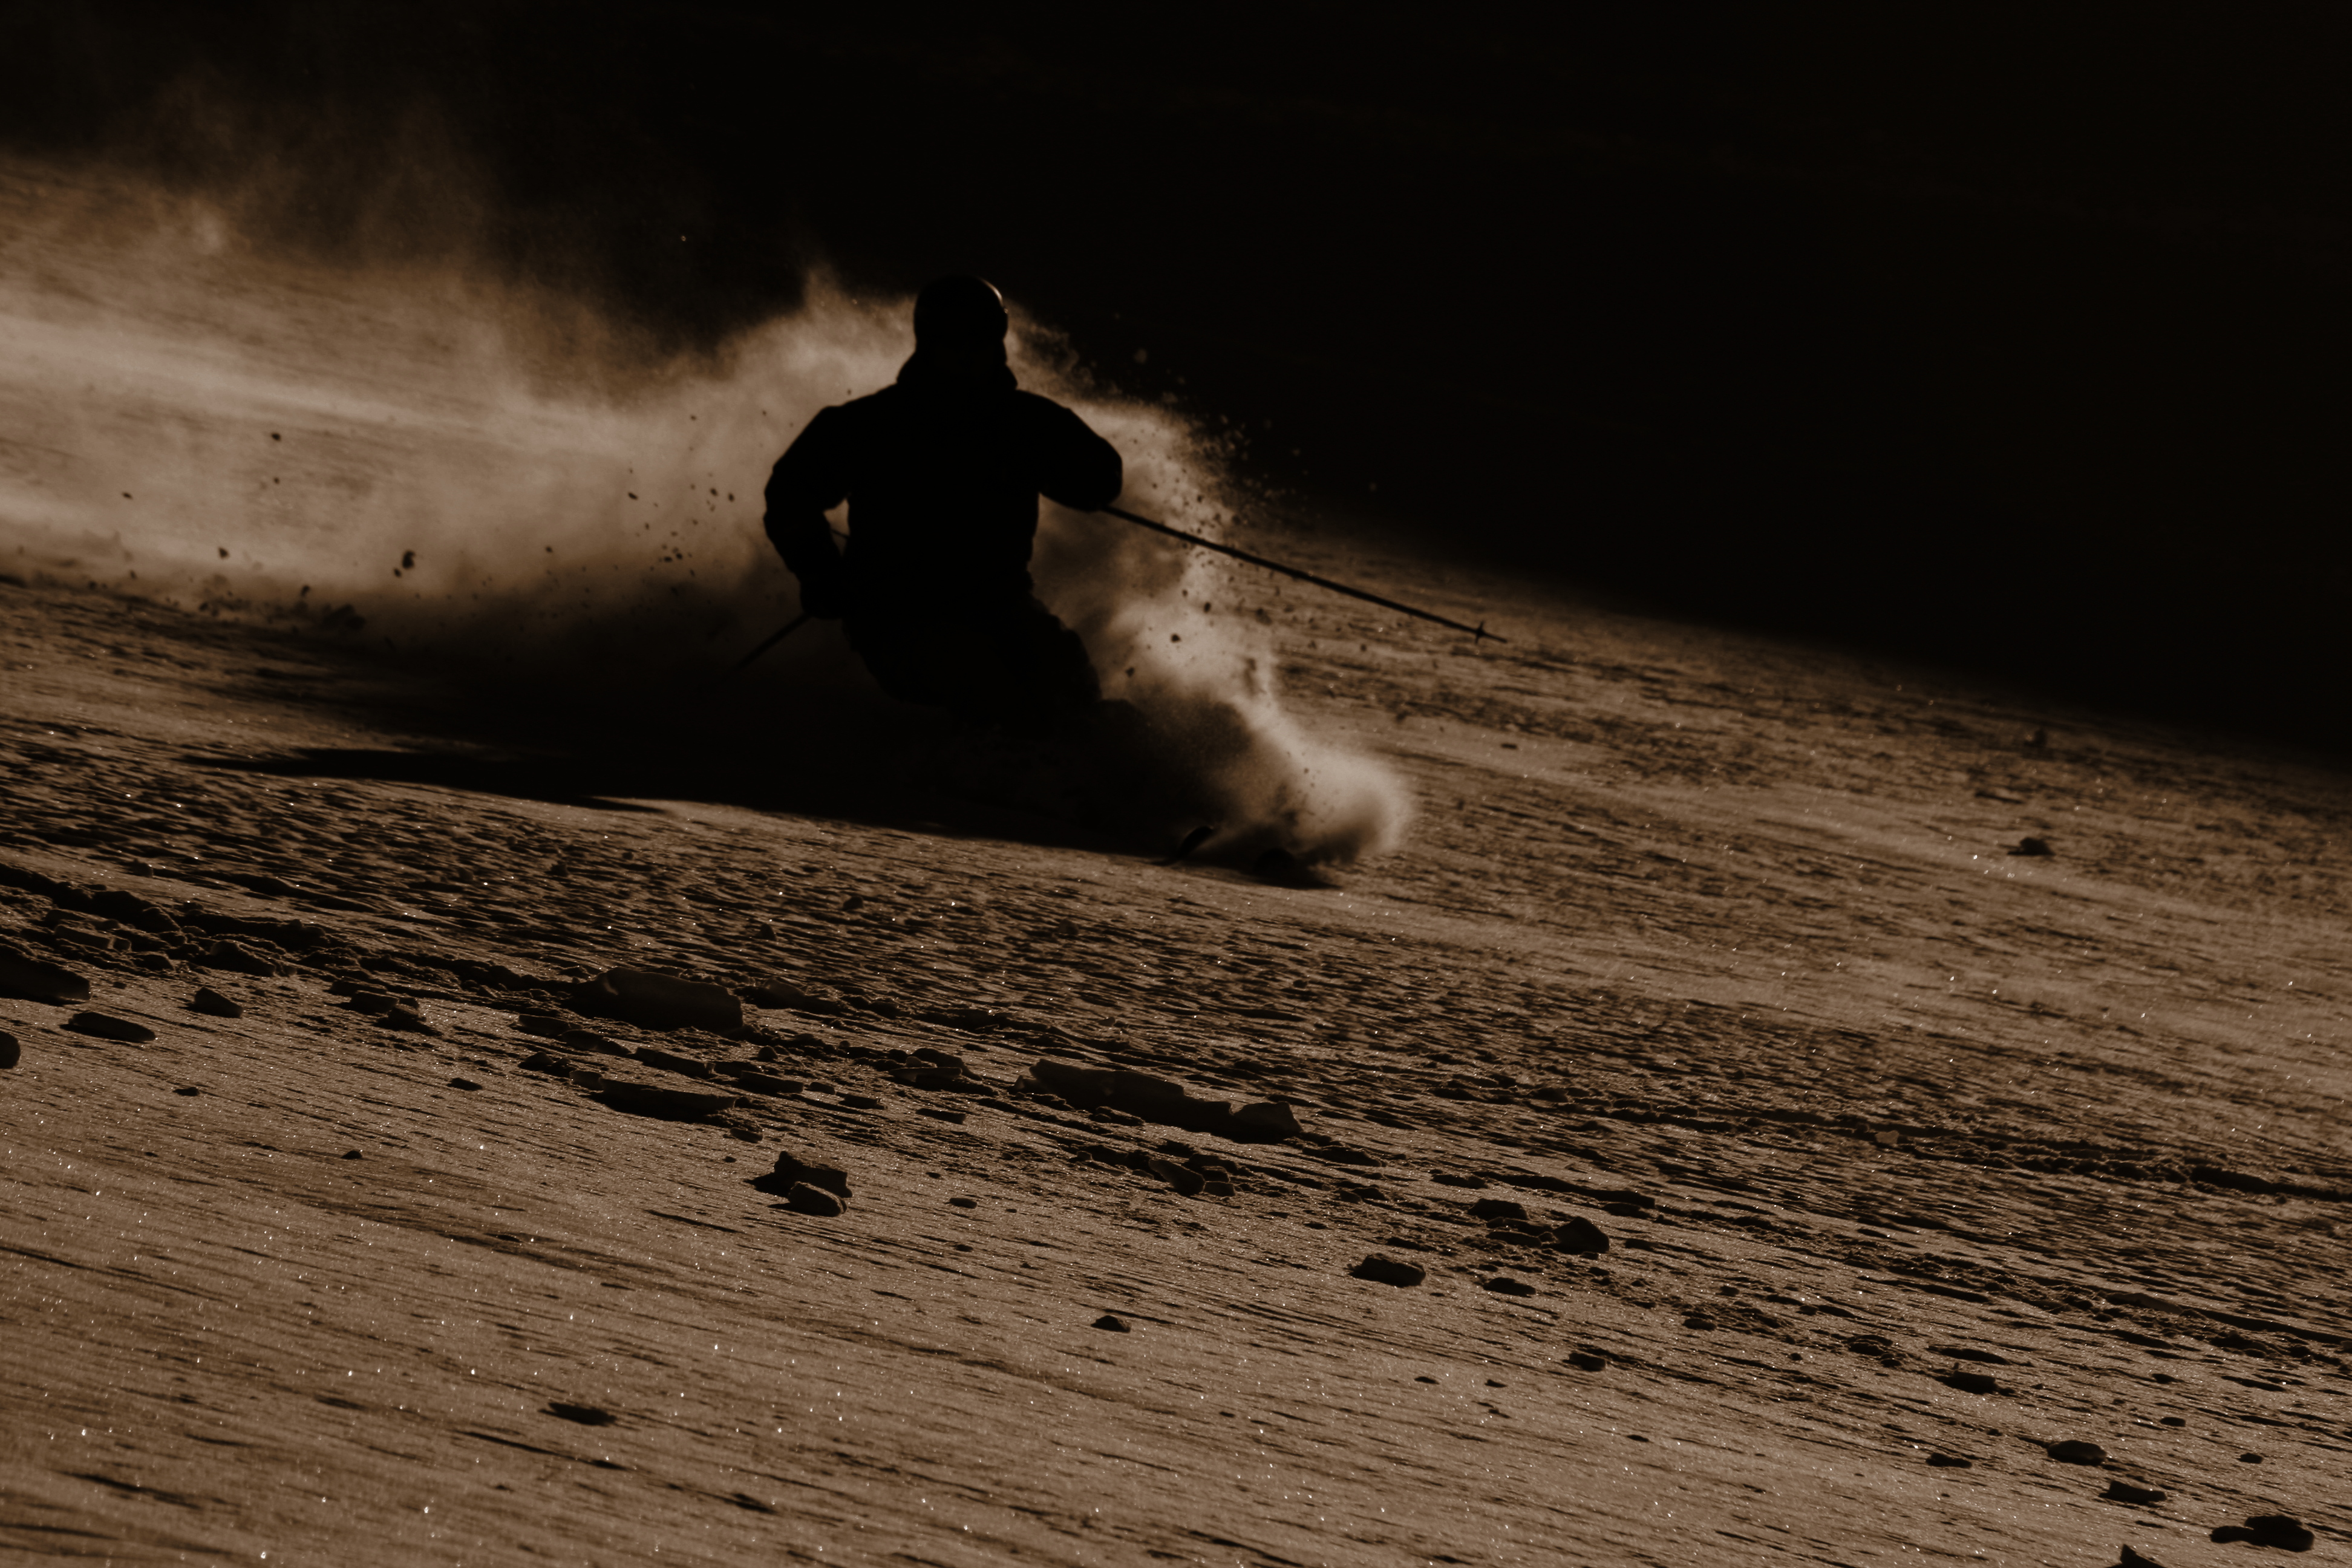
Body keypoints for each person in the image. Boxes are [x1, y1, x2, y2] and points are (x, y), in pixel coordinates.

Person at [762, 275, 1124, 734]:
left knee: (1066, 675)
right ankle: (995, 761)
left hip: (1000, 603)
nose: (968, 354)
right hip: (898, 613)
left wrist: (1045, 465)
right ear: (927, 343)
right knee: (978, 676)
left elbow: (1101, 479)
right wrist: (821, 573)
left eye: (980, 341)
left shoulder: (1024, 423)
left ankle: (1108, 763)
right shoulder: (877, 424)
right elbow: (792, 491)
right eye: (953, 342)